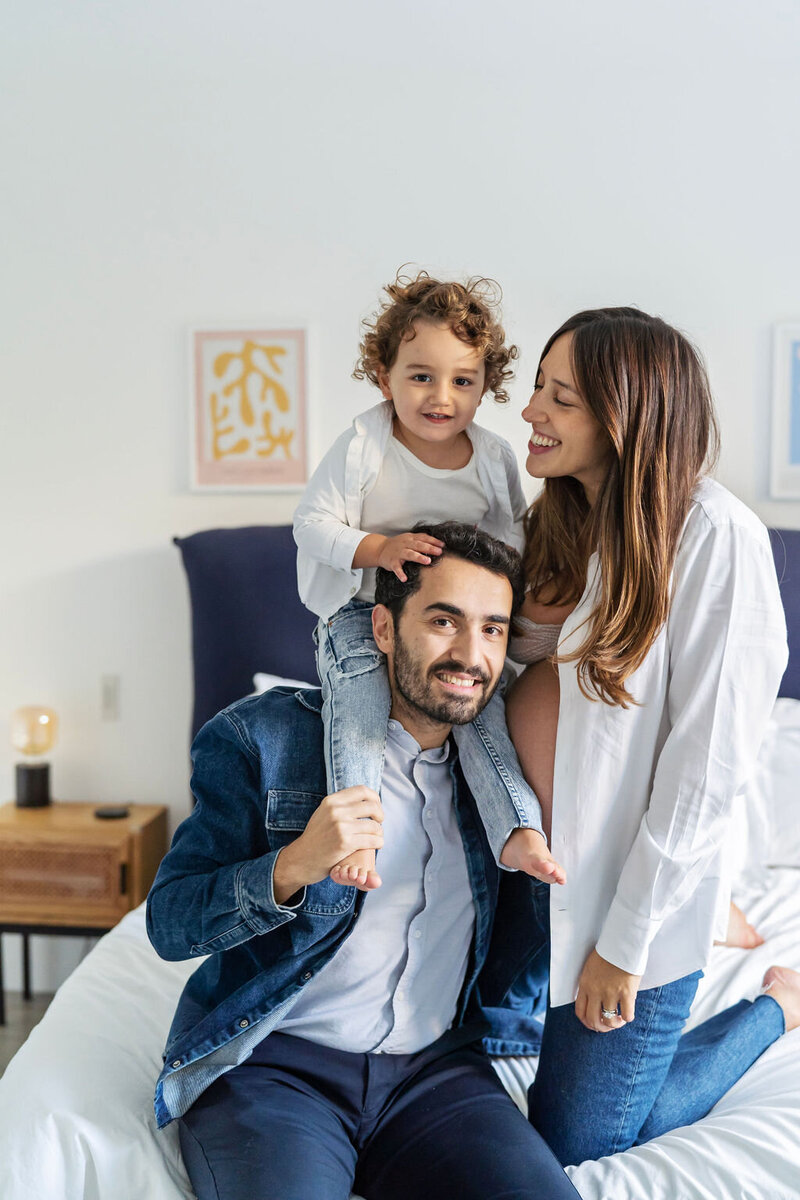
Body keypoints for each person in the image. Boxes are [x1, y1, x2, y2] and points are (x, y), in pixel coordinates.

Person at [146, 522, 580, 1200]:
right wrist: (291, 865)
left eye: (494, 629)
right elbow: (170, 923)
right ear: (382, 628)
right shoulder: (262, 737)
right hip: (277, 1071)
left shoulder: (507, 783)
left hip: (437, 1078)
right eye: (445, 621)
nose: (471, 655)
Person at [480, 306, 800, 1166]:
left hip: (631, 904)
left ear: (629, 417)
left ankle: (773, 1008)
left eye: (561, 397)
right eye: (537, 390)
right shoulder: (556, 521)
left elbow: (707, 771)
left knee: (579, 1146)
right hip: (525, 877)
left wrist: (621, 948)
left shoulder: (714, 537)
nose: (531, 414)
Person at [293, 270, 564, 892]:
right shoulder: (364, 443)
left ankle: (518, 829)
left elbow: (513, 541)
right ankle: (356, 831)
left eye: (462, 381)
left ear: (485, 388)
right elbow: (311, 524)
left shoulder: (492, 458)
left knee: (487, 709)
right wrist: (379, 547)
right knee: (360, 702)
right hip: (362, 609)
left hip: (452, 623)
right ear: (384, 377)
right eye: (420, 376)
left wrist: (507, 609)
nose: (441, 396)